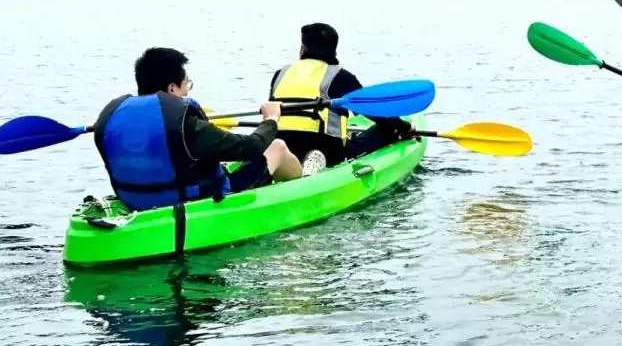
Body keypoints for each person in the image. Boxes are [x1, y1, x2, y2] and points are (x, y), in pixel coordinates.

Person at [93, 47, 303, 212]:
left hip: (138, 201)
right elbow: (250, 147)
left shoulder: (112, 118)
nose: (187, 90)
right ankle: (307, 184)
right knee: (276, 146)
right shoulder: (187, 124)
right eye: (186, 84)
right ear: (172, 88)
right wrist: (271, 120)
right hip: (197, 201)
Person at [268, 22, 413, 174]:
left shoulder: (281, 74)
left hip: (282, 147)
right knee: (388, 129)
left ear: (303, 48)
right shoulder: (341, 76)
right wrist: (405, 127)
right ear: (334, 50)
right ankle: (319, 164)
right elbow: (377, 114)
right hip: (325, 150)